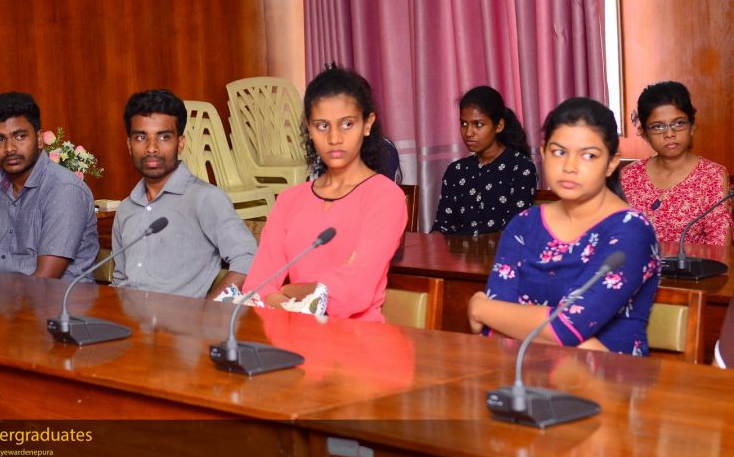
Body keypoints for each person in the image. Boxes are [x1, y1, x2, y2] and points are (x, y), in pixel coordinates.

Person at [468, 98, 659, 356]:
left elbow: (568, 328)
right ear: (543, 152)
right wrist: (575, 344)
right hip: (523, 373)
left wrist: (480, 309)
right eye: (559, 152)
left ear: (612, 163)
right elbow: (493, 331)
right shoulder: (524, 224)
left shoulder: (631, 230)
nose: (570, 167)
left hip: (607, 377)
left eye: (588, 156)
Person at [242, 66, 407, 322]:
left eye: (347, 124)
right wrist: (306, 296)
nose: (334, 138)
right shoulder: (289, 200)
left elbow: (353, 293)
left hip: (358, 339)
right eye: (322, 126)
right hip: (292, 336)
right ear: (308, 128)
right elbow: (257, 287)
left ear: (367, 124)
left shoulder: (386, 197)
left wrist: (287, 291)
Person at [111, 89, 258, 298]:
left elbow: (248, 259)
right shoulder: (126, 208)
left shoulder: (205, 199)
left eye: (164, 137)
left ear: (180, 143)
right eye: (141, 137)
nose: (151, 148)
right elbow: (119, 279)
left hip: (180, 318)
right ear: (129, 145)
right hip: (125, 316)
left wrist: (207, 309)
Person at [0, 92, 98, 280]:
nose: (9, 148)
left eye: (20, 136)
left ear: (39, 139)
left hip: (59, 297)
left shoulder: (64, 189)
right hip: (4, 297)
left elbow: (45, 279)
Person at [621, 81, 730, 246]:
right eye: (658, 126)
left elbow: (720, 248)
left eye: (678, 123)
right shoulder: (629, 175)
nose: (669, 134)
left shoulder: (712, 175)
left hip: (696, 263)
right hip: (636, 262)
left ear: (692, 126)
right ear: (644, 133)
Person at [432, 85, 537, 235]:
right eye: (464, 124)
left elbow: (515, 231)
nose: (468, 133)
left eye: (478, 124)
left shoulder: (520, 168)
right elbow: (442, 226)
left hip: (501, 249)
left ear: (499, 126)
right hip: (455, 250)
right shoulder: (456, 171)